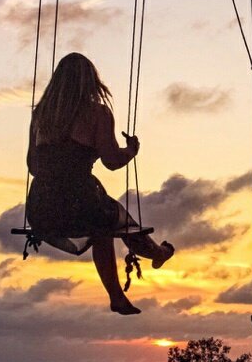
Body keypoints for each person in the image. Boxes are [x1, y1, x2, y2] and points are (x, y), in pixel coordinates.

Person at [27, 52, 174, 315]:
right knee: (107, 221)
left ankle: (123, 290)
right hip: (79, 198)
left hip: (42, 203)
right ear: (90, 82)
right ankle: (157, 255)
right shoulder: (97, 112)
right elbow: (111, 160)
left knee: (106, 222)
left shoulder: (41, 115)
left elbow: (33, 165)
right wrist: (131, 150)